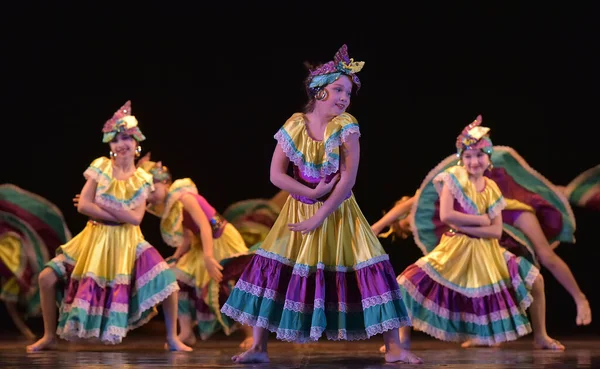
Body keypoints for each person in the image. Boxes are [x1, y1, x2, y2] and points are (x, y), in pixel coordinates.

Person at [220, 44, 422, 364]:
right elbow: (276, 174)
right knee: (273, 268)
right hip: (299, 207)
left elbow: (347, 180)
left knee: (371, 267)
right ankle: (258, 347)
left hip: (341, 212)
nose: (344, 97)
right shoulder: (296, 125)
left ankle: (395, 347)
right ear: (318, 91)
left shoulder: (346, 126)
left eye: (348, 93)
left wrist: (320, 213)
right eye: (338, 89)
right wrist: (310, 195)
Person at [26, 101, 192, 352]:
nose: (121, 143)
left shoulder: (142, 179)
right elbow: (83, 205)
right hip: (93, 238)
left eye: (126, 137)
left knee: (168, 281)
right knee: (46, 278)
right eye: (115, 139)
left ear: (136, 143)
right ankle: (49, 335)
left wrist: (103, 204)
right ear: (110, 146)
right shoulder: (101, 167)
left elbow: (135, 219)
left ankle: (173, 337)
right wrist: (115, 211)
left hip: (129, 242)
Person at [395, 116, 563, 351]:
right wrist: (480, 220)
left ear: (489, 158)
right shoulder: (452, 178)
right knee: (407, 283)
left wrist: (480, 224)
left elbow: (495, 231)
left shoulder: (492, 188)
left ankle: (541, 336)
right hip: (457, 247)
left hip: (488, 251)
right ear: (461, 159)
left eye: (479, 155)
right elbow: (447, 216)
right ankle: (402, 338)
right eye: (468, 156)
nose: (474, 161)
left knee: (536, 281)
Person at [139, 157, 253, 348]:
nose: (150, 196)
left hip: (221, 240)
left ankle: (250, 333)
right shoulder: (173, 208)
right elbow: (187, 237)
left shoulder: (185, 197)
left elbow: (205, 226)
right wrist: (175, 257)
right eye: (146, 193)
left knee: (226, 285)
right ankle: (186, 332)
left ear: (165, 182)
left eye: (153, 189)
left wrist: (208, 257)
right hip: (202, 245)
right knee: (176, 278)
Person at [0, 184, 72, 340]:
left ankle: (32, 330)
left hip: (11, 255)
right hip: (8, 254)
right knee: (10, 297)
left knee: (12, 295)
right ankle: (28, 330)